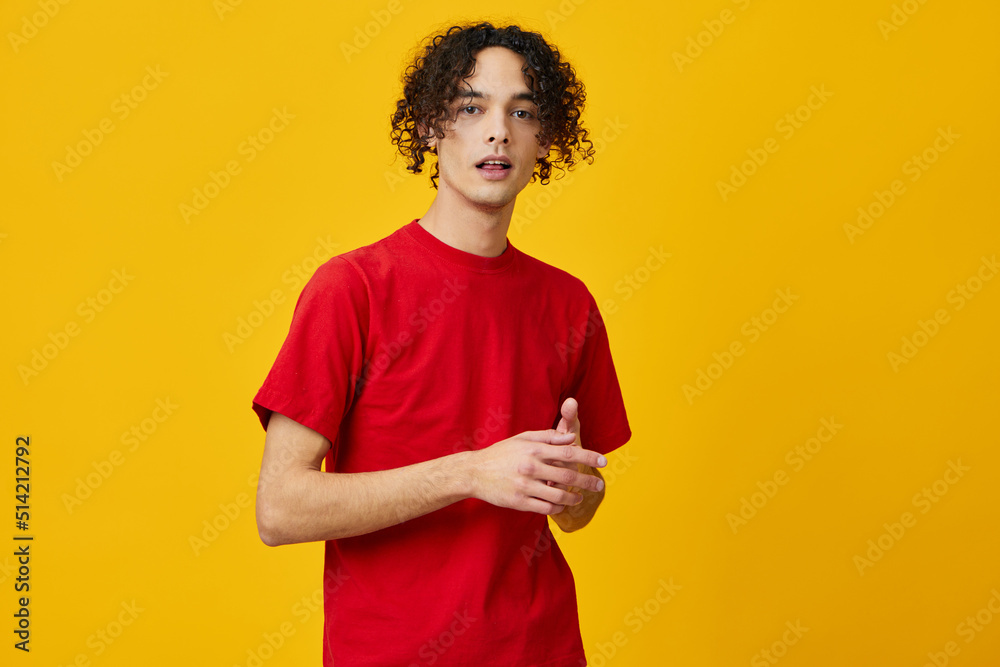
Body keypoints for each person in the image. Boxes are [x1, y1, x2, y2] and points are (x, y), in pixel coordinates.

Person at [251, 21, 631, 666]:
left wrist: (576, 489)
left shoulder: (570, 304)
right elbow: (280, 509)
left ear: (545, 138)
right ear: (431, 126)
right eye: (471, 107)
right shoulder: (352, 288)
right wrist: (469, 472)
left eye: (522, 112)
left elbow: (575, 512)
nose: (498, 131)